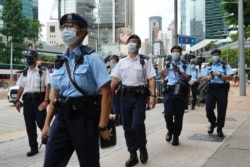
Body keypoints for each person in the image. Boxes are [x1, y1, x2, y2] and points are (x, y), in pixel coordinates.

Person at [41, 13, 112, 167]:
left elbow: (107, 92)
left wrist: (102, 125)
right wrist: (47, 124)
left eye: (71, 26)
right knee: (51, 163)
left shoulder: (92, 58)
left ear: (82, 31)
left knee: (89, 163)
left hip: (84, 119)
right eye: (64, 27)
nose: (66, 29)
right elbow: (55, 95)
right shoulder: (60, 61)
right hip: (61, 119)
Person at [110, 34, 156, 167]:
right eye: (130, 42)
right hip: (125, 97)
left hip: (139, 97)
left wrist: (153, 96)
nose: (132, 44)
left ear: (139, 46)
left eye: (135, 42)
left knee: (137, 124)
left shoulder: (144, 61)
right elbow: (114, 80)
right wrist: (105, 96)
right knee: (127, 127)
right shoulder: (121, 62)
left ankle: (142, 146)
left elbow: (152, 78)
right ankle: (132, 154)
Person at [15, 50, 51, 157]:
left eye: (30, 57)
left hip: (38, 101)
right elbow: (21, 87)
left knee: (42, 124)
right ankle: (33, 148)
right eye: (27, 57)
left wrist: (46, 101)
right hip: (27, 102)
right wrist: (17, 100)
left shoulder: (43, 70)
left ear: (36, 58)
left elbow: (47, 86)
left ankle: (50, 145)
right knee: (29, 126)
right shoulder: (25, 72)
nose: (28, 59)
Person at [160, 45, 191, 146]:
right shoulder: (168, 64)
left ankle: (176, 136)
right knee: (167, 114)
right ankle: (170, 130)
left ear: (181, 54)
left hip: (180, 91)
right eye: (173, 52)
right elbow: (162, 74)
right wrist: (162, 76)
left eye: (177, 52)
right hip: (169, 91)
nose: (175, 53)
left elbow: (188, 78)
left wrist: (179, 72)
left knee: (179, 115)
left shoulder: (186, 64)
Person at [199, 48, 234, 137]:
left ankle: (219, 128)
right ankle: (212, 123)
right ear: (211, 56)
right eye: (214, 55)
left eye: (217, 54)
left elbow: (230, 77)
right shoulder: (209, 66)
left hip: (222, 89)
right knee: (208, 108)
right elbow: (201, 78)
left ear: (220, 55)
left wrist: (219, 75)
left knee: (221, 110)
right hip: (211, 89)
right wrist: (207, 77)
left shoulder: (225, 65)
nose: (215, 56)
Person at [110, 54, 122, 125]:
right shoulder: (120, 66)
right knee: (120, 104)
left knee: (115, 105)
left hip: (116, 87)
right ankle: (121, 120)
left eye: (112, 59)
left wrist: (112, 89)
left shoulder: (116, 67)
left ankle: (116, 120)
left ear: (114, 59)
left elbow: (114, 79)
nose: (111, 61)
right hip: (120, 87)